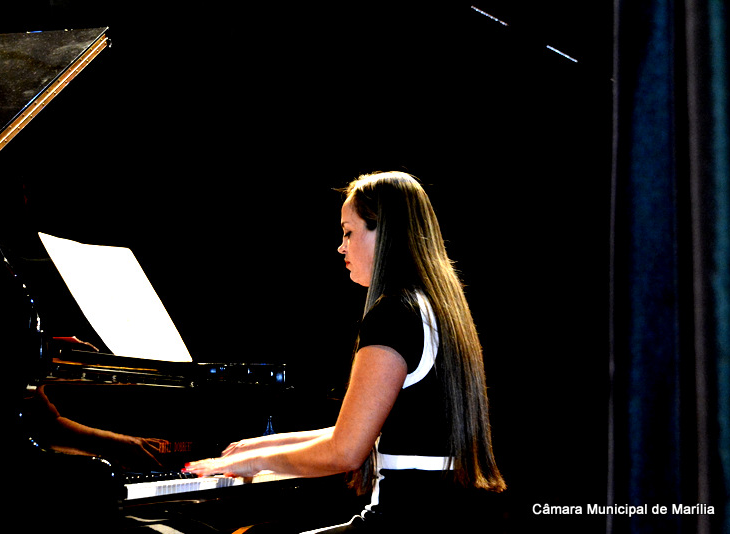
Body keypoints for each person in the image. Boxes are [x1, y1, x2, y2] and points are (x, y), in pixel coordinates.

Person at [185, 171, 506, 532]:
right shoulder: (432, 307)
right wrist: (259, 447)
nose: (341, 247)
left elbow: (346, 451)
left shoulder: (394, 314)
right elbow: (354, 431)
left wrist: (256, 462)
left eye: (349, 232)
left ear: (384, 232)